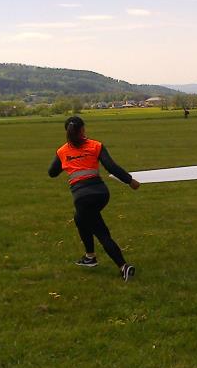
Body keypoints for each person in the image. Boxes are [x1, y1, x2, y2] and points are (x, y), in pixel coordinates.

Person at [49, 116, 140, 280]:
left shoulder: (62, 151)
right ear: (82, 130)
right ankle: (89, 257)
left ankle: (123, 267)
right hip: (102, 194)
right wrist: (130, 181)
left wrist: (69, 161)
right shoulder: (95, 145)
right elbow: (111, 166)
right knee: (79, 218)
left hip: (83, 198)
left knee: (101, 233)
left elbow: (52, 172)